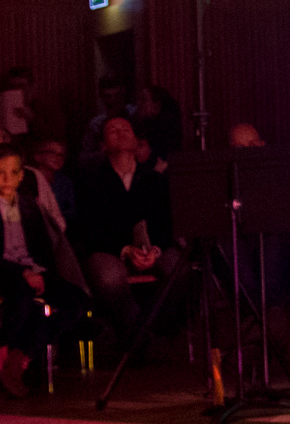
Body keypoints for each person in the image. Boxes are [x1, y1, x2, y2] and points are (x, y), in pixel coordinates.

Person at [68, 116, 177, 343]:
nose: (120, 132)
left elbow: (167, 222)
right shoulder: (90, 181)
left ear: (137, 140)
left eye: (125, 128)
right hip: (110, 250)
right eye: (112, 130)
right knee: (108, 278)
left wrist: (154, 250)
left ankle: (155, 326)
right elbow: (88, 228)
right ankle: (137, 334)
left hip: (152, 247)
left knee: (179, 267)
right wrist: (125, 249)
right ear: (103, 145)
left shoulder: (154, 180)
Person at [0, 147, 90, 397]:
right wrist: (23, 273)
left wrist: (42, 273)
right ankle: (4, 351)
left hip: (31, 268)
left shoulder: (28, 204)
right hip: (6, 271)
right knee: (23, 297)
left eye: (13, 173)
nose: (7, 179)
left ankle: (22, 353)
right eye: (0, 173)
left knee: (76, 302)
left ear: (21, 176)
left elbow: (43, 246)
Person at [30, 137, 75, 225]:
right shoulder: (30, 180)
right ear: (37, 156)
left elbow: (70, 211)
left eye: (61, 155)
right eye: (52, 153)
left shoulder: (65, 183)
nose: (57, 157)